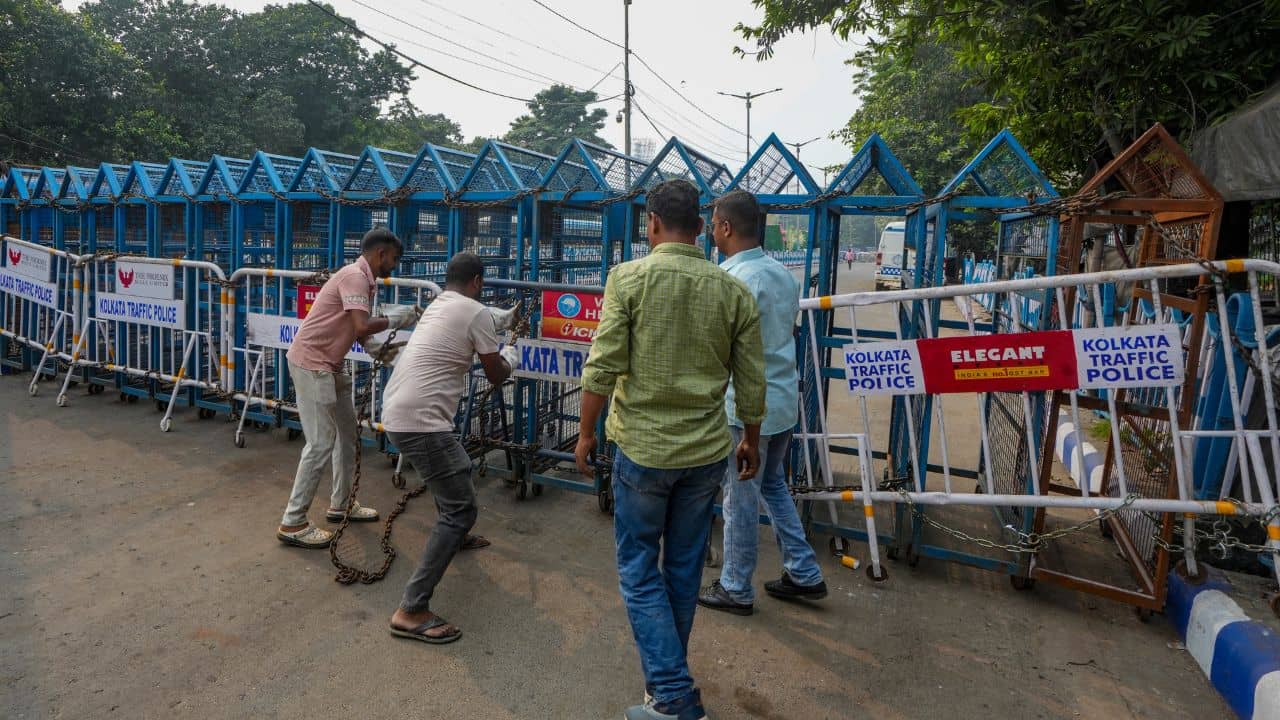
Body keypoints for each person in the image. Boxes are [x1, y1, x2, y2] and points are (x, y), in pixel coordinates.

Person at [576, 179, 766, 720]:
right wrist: (750, 440)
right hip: (705, 454)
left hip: (643, 451)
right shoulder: (732, 290)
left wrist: (586, 433)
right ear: (702, 227)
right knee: (683, 570)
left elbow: (603, 365)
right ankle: (666, 688)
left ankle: (675, 696)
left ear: (652, 223)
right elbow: (752, 380)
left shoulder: (628, 279)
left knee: (639, 570)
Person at [698, 189, 828, 618]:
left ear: (726, 227)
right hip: (783, 401)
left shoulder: (731, 280)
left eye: (714, 225)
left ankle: (735, 587)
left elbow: (722, 350)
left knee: (739, 498)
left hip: (746, 409)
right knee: (771, 484)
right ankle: (804, 571)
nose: (712, 232)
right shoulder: (782, 275)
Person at [381, 252, 520, 645]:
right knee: (461, 509)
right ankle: (411, 610)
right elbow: (495, 373)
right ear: (477, 282)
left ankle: (455, 540)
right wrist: (510, 356)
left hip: (399, 412)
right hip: (421, 422)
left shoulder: (440, 304)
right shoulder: (475, 311)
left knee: (457, 471)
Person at [276, 229, 420, 549]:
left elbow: (358, 331)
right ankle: (293, 521)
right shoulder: (355, 277)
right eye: (394, 259)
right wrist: (398, 318)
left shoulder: (364, 280)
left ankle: (341, 504)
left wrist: (381, 350)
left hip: (330, 367)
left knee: (347, 436)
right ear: (380, 253)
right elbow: (362, 325)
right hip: (313, 365)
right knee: (320, 443)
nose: (394, 266)